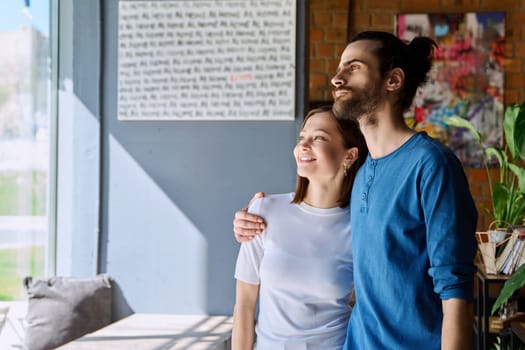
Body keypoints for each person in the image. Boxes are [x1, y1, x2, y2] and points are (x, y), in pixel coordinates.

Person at [233, 31, 478, 350]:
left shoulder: (431, 165)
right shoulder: (364, 175)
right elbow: (316, 222)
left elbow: (455, 287)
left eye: (354, 67)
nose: (337, 78)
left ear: (393, 80)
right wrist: (249, 219)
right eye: (339, 68)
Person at [232, 106, 367, 350]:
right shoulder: (263, 211)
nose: (304, 146)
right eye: (302, 138)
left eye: (319, 138)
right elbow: (244, 304)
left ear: (349, 155)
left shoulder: (360, 226)